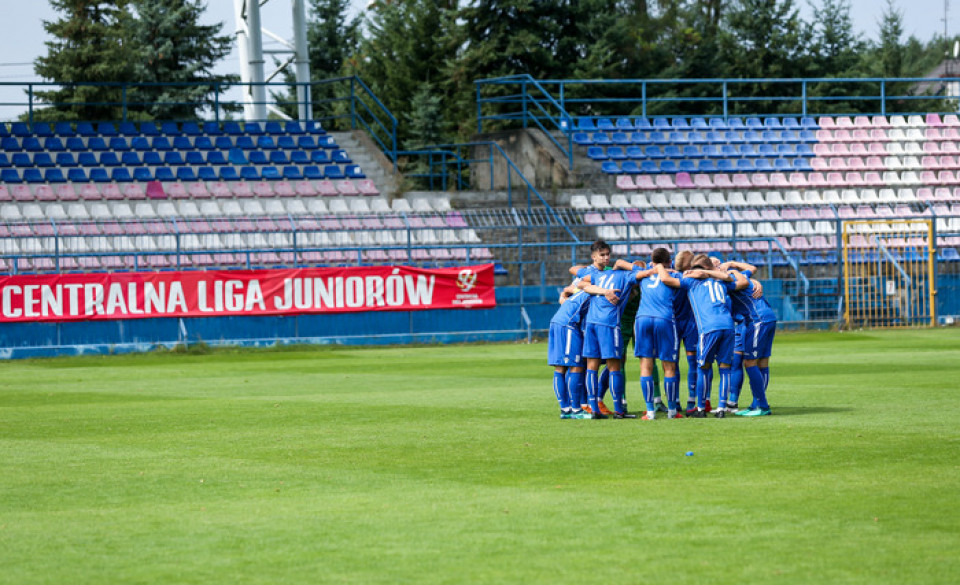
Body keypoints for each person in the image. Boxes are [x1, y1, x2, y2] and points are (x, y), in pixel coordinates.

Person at [578, 240, 653, 419]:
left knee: (592, 367)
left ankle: (594, 409)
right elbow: (644, 272)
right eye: (602, 255)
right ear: (594, 256)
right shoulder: (625, 275)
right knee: (614, 366)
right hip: (609, 323)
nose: (606, 258)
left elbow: (581, 283)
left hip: (592, 323)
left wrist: (601, 290)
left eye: (607, 255)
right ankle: (619, 410)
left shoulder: (597, 275)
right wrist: (625, 265)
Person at [678, 254, 747, 418]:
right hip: (728, 326)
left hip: (709, 327)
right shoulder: (722, 282)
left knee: (703, 367)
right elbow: (742, 283)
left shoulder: (691, 282)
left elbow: (668, 280)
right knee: (725, 368)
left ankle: (701, 408)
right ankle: (721, 408)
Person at [548, 276, 619, 419]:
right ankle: (575, 410)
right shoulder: (596, 294)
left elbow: (566, 295)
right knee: (576, 366)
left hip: (558, 321)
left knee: (560, 368)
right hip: (569, 325)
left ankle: (566, 410)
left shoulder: (582, 291)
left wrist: (565, 294)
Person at [633, 248, 683, 420]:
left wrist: (652, 268)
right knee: (669, 367)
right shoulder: (674, 275)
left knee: (645, 366)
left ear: (652, 261)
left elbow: (622, 264)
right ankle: (672, 411)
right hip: (664, 319)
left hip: (642, 318)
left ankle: (650, 412)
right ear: (669, 261)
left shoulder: (643, 273)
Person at [722, 261, 777, 417]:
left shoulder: (729, 282)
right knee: (762, 362)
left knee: (749, 362)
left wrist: (732, 267)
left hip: (757, 320)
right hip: (767, 317)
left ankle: (762, 406)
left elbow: (746, 279)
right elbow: (751, 269)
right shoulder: (737, 275)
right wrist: (734, 266)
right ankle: (755, 404)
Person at [673, 250, 703, 414]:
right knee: (691, 362)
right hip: (688, 322)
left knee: (674, 362)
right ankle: (690, 400)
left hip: (677, 322)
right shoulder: (693, 276)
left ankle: (677, 400)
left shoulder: (670, 274)